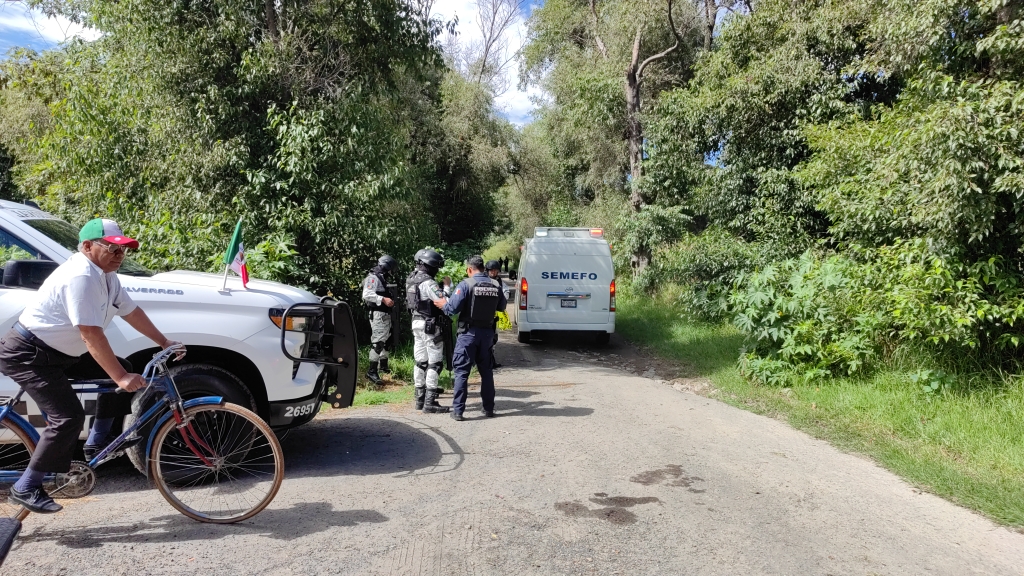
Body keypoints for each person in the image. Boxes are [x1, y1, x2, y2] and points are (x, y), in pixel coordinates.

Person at [0, 218, 185, 514]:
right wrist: (122, 377)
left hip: (58, 352)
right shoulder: (80, 277)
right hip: (29, 354)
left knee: (121, 366)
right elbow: (90, 333)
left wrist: (164, 342)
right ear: (86, 246)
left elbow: (131, 312)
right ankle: (25, 487)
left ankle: (97, 443)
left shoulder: (107, 275)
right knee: (68, 417)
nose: (119, 256)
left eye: (123, 250)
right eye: (111, 249)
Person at [433, 255, 506, 421]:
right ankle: (488, 409)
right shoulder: (495, 284)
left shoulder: (466, 284)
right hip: (487, 334)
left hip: (468, 335)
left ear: (469, 269)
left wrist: (443, 304)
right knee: (486, 372)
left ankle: (458, 411)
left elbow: (452, 309)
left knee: (462, 372)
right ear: (483, 268)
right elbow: (501, 307)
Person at [405, 249, 451, 413]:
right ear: (430, 265)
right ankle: (430, 402)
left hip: (416, 323)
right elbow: (443, 302)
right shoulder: (428, 283)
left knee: (420, 361)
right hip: (430, 326)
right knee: (435, 363)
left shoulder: (410, 279)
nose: (437, 269)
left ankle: (419, 398)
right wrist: (446, 287)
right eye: (436, 266)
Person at [362, 254, 397, 386]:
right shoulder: (373, 278)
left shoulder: (382, 277)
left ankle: (383, 367)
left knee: (386, 340)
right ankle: (371, 371)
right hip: (378, 314)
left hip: (384, 314)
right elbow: (366, 294)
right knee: (378, 342)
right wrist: (382, 299)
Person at [484, 260, 503, 370]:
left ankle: (491, 360)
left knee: (494, 338)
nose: (494, 272)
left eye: (496, 270)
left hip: (494, 313)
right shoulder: (485, 280)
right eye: (492, 270)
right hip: (485, 313)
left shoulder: (498, 280)